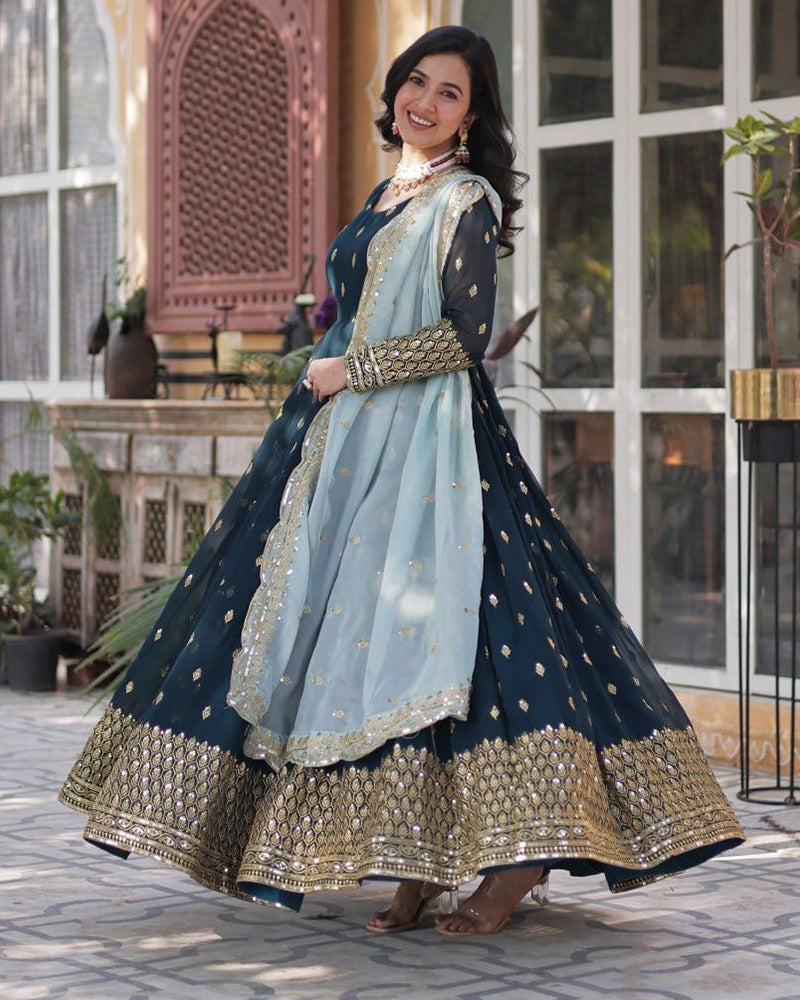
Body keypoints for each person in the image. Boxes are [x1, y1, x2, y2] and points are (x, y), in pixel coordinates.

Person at [60, 25, 744, 939]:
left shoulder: (464, 199)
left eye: (449, 92)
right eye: (416, 82)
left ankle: (517, 860)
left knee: (460, 632)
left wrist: (353, 369)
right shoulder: (390, 190)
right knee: (358, 635)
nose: (424, 101)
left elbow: (465, 336)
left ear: (472, 117)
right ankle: (415, 856)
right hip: (347, 445)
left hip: (431, 447)